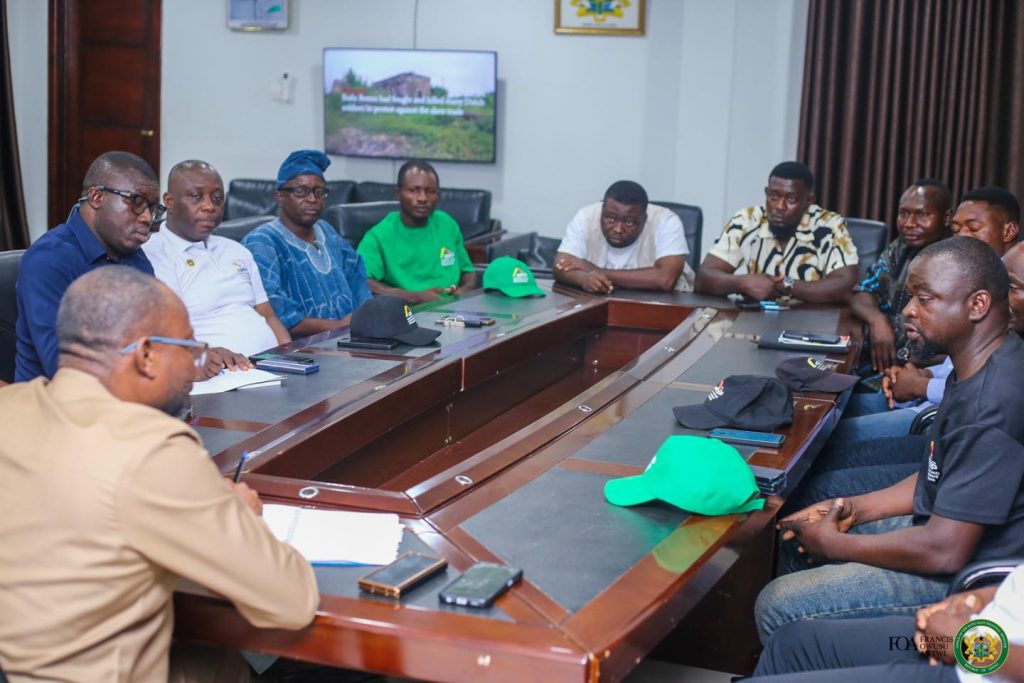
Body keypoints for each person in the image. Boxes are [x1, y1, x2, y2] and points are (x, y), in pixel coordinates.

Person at [0, 267, 318, 681]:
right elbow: (292, 602)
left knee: (211, 658)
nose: (195, 366)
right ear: (147, 355)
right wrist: (245, 516)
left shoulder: (12, 408)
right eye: (189, 348)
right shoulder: (151, 449)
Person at [755, 237, 1024, 642]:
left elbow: (944, 550)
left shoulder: (991, 404)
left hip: (974, 580)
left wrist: (835, 545)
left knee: (778, 603)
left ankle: (803, 657)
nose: (908, 310)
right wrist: (854, 508)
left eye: (924, 299)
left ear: (977, 305)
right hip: (947, 531)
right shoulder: (980, 363)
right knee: (800, 534)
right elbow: (938, 473)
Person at [15, 151, 161, 382]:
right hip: (55, 397)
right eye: (137, 202)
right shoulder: (48, 260)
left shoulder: (135, 257)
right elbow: (64, 366)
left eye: (152, 208)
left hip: (127, 390)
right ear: (96, 197)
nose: (147, 218)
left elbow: (158, 335)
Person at [749, 564, 1024, 681]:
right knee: (793, 644)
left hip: (983, 663)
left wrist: (967, 643)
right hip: (978, 633)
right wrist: (976, 598)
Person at [144, 160, 289, 370]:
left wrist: (291, 356)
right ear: (169, 201)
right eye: (196, 196)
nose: (209, 206)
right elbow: (168, 337)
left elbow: (268, 316)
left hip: (271, 367)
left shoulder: (237, 250)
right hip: (217, 375)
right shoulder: (153, 255)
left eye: (217, 198)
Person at [243, 149, 372, 335]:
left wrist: (364, 319)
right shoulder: (262, 243)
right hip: (301, 347)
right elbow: (274, 314)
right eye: (301, 191)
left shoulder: (326, 230)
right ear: (280, 197)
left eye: (318, 192)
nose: (312, 199)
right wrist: (339, 327)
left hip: (353, 337)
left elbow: (356, 276)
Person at [695, 161, 859, 303]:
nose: (780, 206)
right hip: (757, 321)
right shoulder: (747, 220)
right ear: (766, 193)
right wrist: (742, 282)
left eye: (791, 199)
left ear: (809, 200)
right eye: (774, 196)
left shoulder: (829, 225)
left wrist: (786, 284)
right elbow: (703, 278)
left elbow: (847, 285)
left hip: (813, 321)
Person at [357, 160, 477, 304]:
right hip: (407, 312)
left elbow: (468, 272)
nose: (422, 198)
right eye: (414, 190)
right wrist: (413, 296)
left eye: (430, 191)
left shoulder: (447, 224)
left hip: (452, 309)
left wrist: (463, 291)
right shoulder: (378, 236)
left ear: (438, 195)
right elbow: (361, 281)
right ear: (398, 193)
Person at [552, 180, 695, 293]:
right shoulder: (586, 216)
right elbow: (561, 265)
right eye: (610, 219)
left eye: (629, 222)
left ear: (644, 219)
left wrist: (597, 271)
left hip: (663, 307)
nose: (618, 229)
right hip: (600, 303)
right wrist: (583, 279)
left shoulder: (666, 221)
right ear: (602, 210)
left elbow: (665, 280)